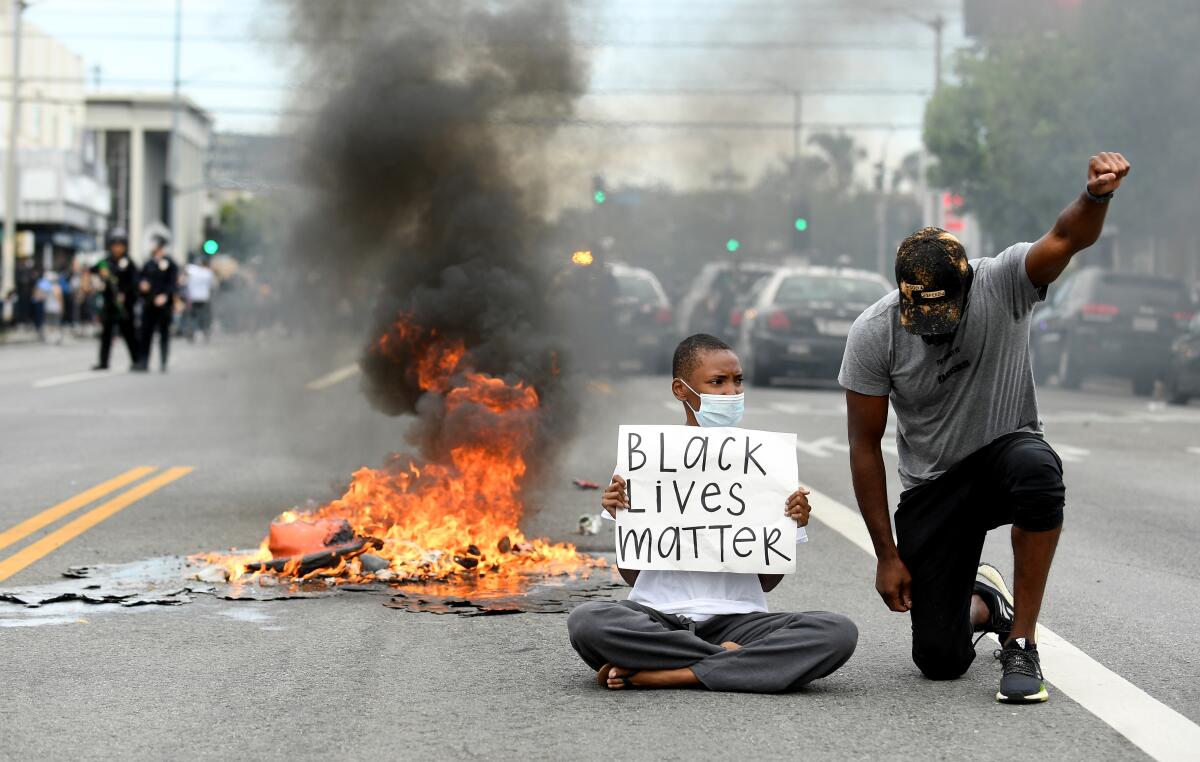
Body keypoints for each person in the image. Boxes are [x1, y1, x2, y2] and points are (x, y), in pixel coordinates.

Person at [839, 152, 1131, 704]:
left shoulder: (1003, 281)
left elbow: (1068, 236)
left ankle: (1022, 641)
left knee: (1038, 469)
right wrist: (886, 553)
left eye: (942, 314)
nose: (930, 329)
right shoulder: (873, 332)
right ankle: (986, 605)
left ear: (968, 282)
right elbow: (863, 445)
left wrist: (1096, 196)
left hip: (1003, 453)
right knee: (939, 660)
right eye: (918, 316)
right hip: (934, 487)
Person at [567, 333, 858, 692]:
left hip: (739, 620)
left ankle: (672, 672)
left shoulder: (766, 461)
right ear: (681, 389)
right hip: (659, 618)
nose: (731, 392)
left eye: (737, 381)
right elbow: (632, 575)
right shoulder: (646, 460)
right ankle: (731, 661)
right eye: (717, 382)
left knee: (837, 632)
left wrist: (788, 523)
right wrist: (623, 514)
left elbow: (767, 581)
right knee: (588, 622)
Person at [90, 228, 141, 370]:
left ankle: (137, 360)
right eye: (115, 245)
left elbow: (136, 282)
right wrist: (99, 278)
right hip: (109, 304)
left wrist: (126, 294)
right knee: (106, 334)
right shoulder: (105, 262)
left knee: (129, 333)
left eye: (120, 245)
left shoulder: (129, 263)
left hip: (125, 305)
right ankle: (103, 362)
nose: (117, 248)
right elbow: (91, 272)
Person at [136, 235, 179, 372]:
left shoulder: (170, 263)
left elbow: (172, 283)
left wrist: (165, 296)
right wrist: (142, 285)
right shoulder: (148, 263)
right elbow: (140, 278)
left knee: (164, 333)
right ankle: (144, 361)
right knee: (145, 333)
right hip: (149, 303)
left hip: (163, 304)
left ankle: (163, 361)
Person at [184, 254, 215, 342]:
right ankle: (205, 332)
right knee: (204, 317)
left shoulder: (191, 270)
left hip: (193, 298)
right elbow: (212, 285)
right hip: (204, 298)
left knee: (192, 316)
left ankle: (191, 332)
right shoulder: (208, 273)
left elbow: (185, 276)